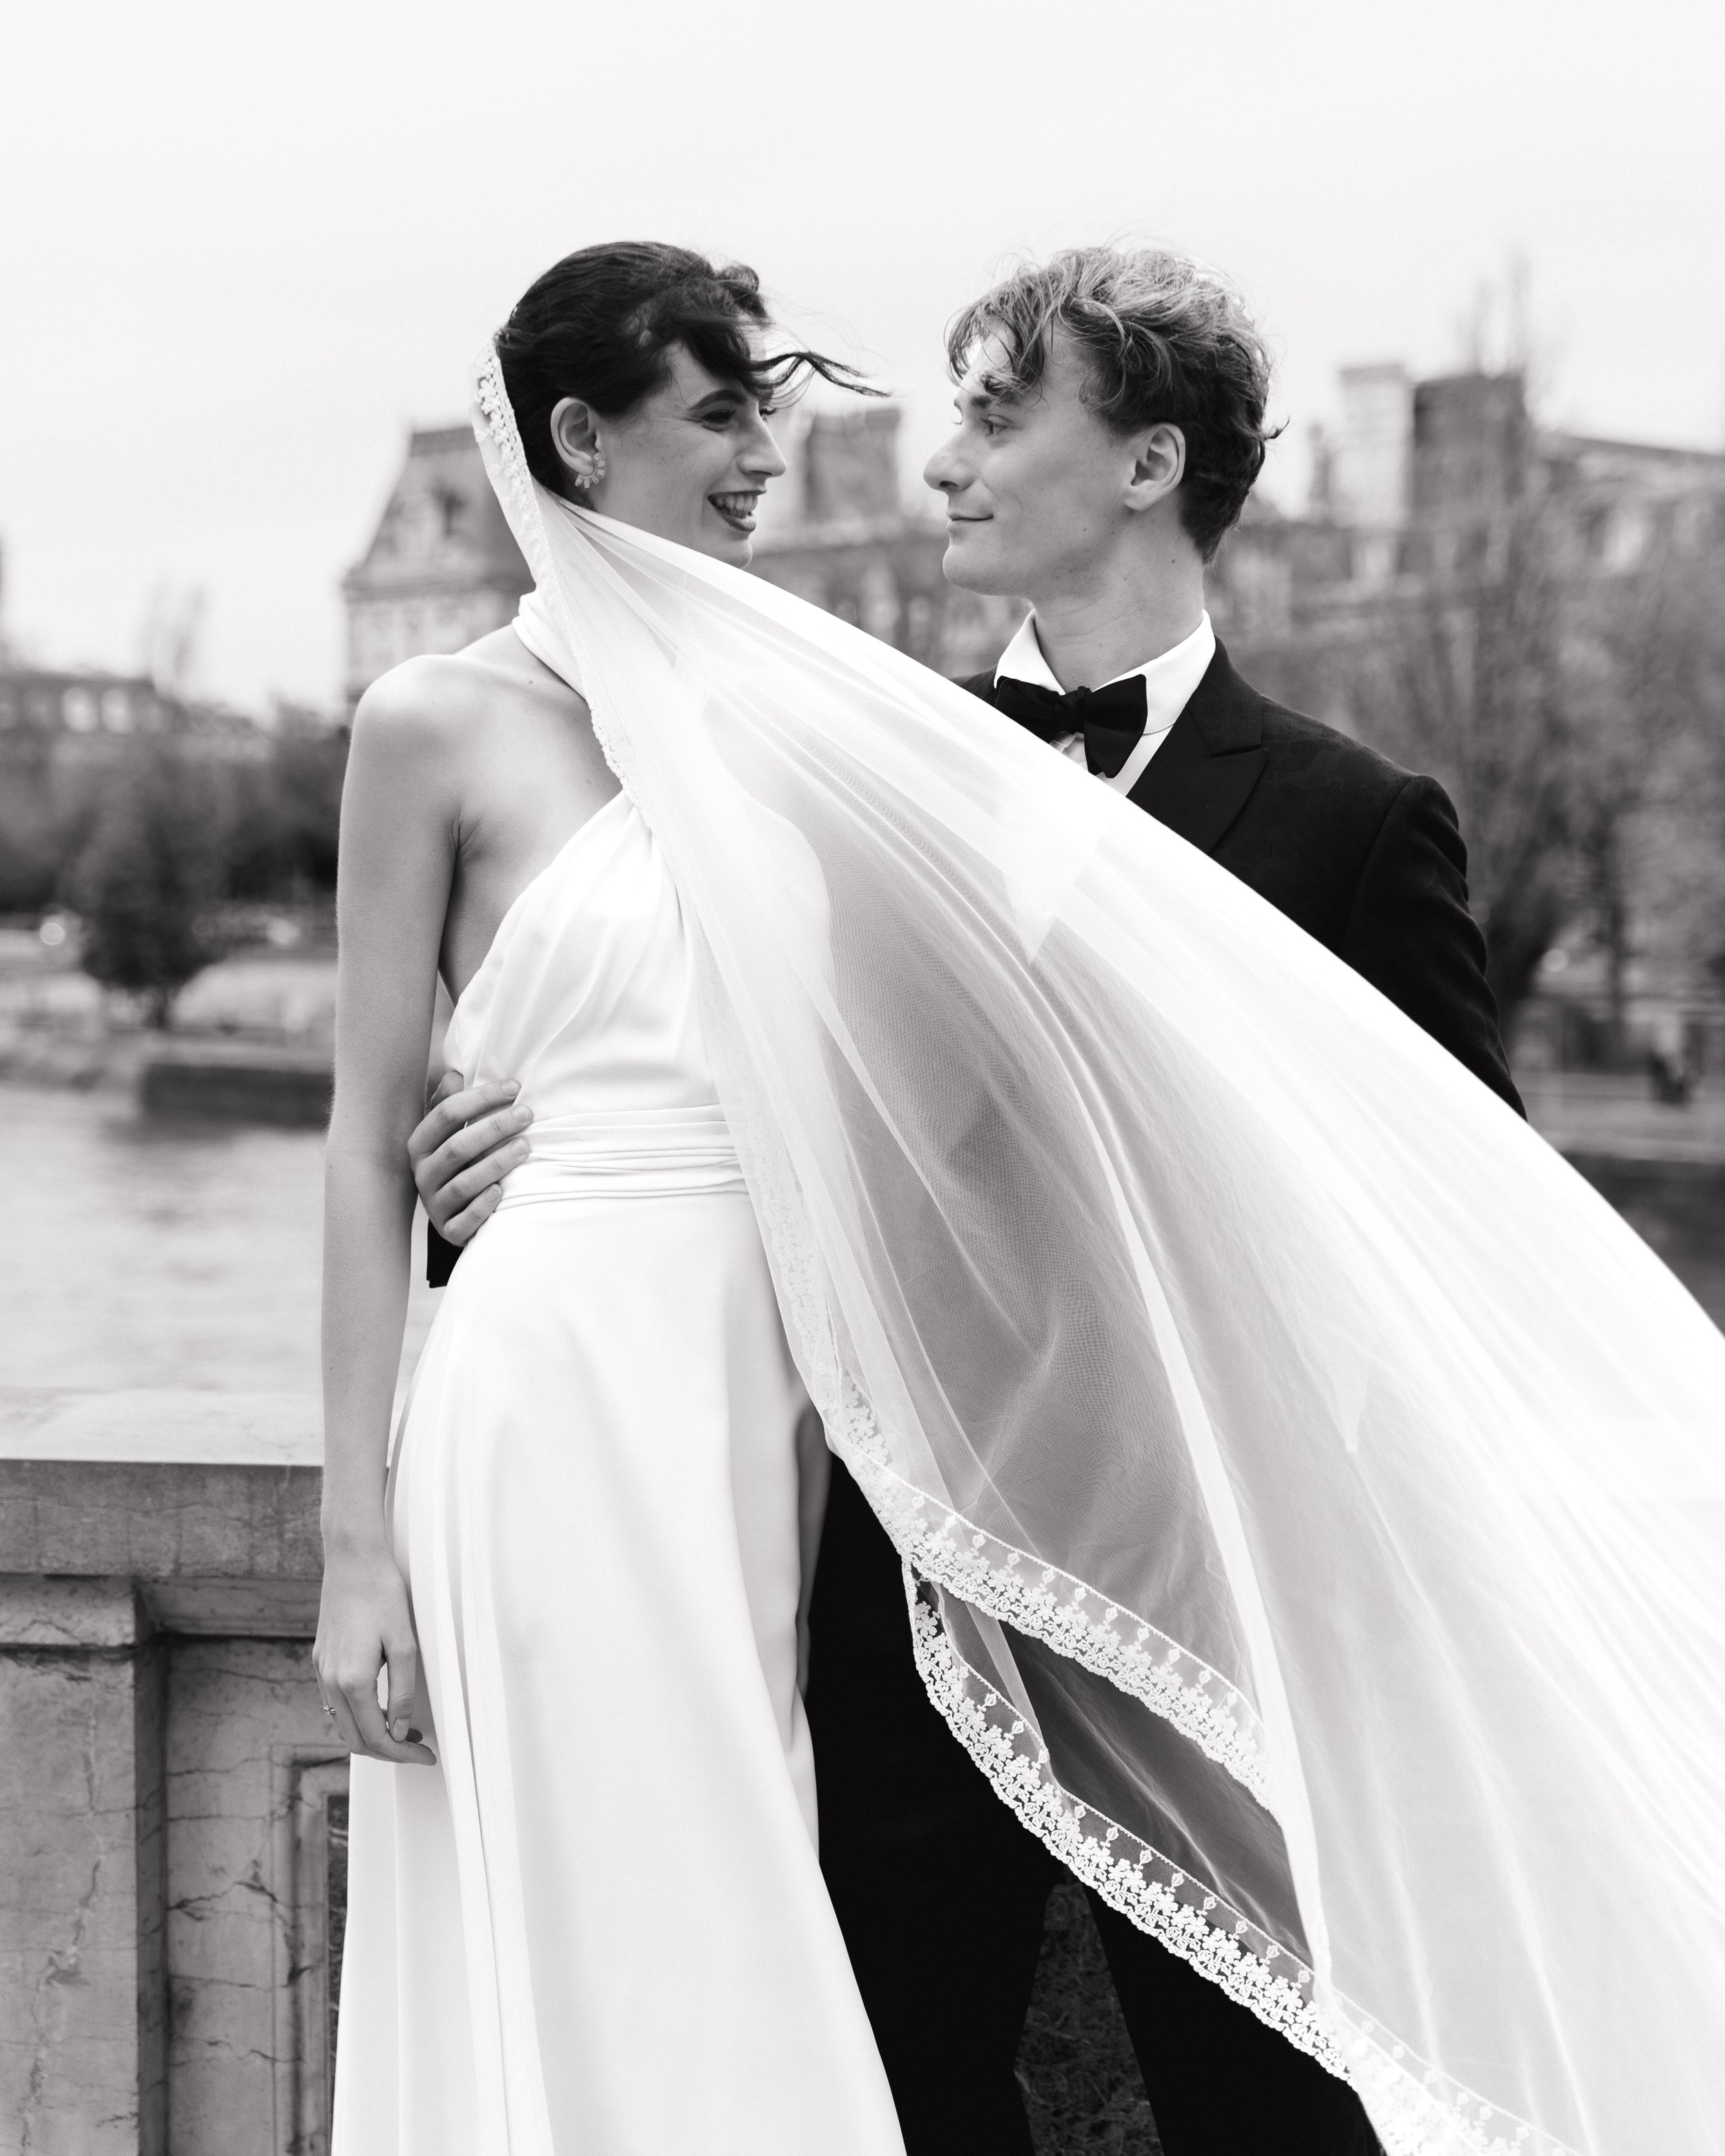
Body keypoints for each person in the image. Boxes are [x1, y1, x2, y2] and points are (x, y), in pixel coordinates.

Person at [391, 243, 1725, 2156]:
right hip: (903, 1592)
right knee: (891, 2095)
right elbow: (707, 1119)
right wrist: (487, 1191)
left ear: (1146, 465)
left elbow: (1451, 1254)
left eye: (998, 414)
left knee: (1271, 2115)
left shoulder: (1356, 823)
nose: (942, 461)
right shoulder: (821, 777)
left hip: (1213, 1619)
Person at [315, 241, 906, 2155]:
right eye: (720, 412)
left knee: (727, 1888)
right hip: (543, 1393)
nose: (764, 456)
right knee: (566, 1909)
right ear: (580, 435)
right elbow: (359, 1131)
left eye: (769, 411)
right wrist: (348, 1549)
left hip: (751, 1406)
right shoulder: (431, 720)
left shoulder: (790, 711)